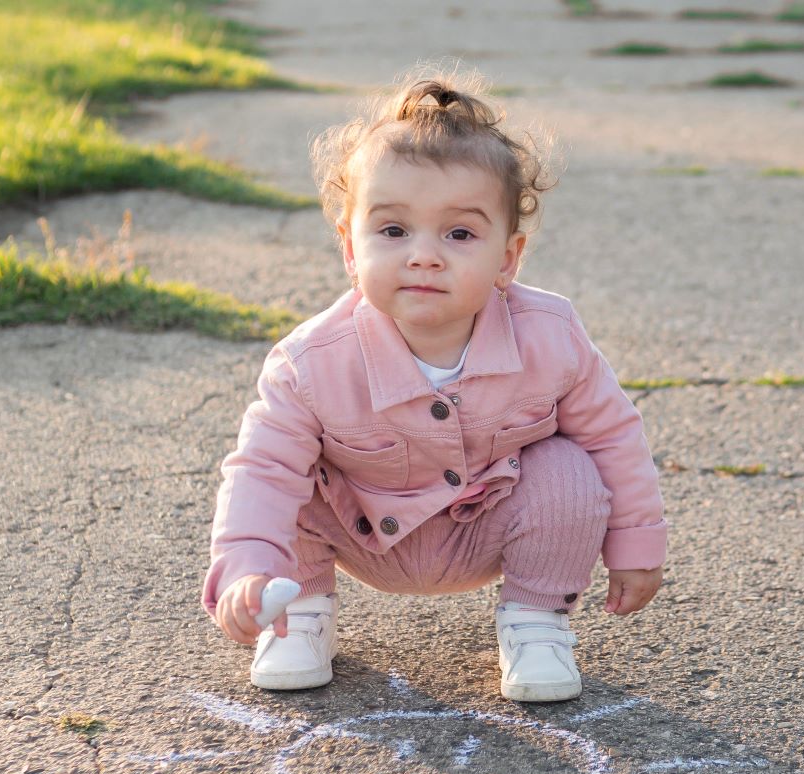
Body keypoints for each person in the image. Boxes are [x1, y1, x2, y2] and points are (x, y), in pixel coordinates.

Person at [202, 66, 668, 702]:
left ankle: (536, 623)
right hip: (359, 531)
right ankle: (297, 614)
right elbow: (259, 469)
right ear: (349, 246)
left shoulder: (551, 336)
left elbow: (615, 437)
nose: (424, 254)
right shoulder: (311, 361)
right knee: (295, 470)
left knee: (569, 465)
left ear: (507, 257)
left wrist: (636, 544)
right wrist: (246, 570)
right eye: (393, 231)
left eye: (459, 233)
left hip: (484, 526)